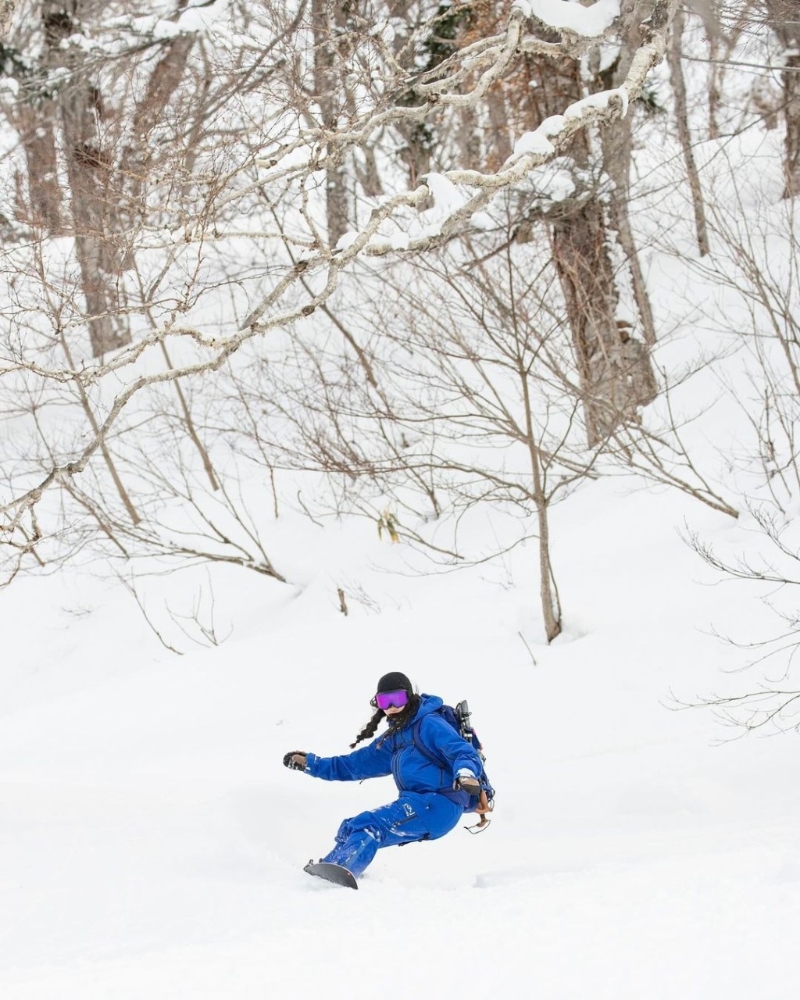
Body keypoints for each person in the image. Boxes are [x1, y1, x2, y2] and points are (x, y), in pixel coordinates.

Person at [283, 671, 484, 880]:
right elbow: (353, 765)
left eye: (397, 699)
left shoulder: (428, 724)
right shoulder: (394, 739)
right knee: (351, 826)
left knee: (370, 826)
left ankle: (343, 871)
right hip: (417, 802)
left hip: (440, 802)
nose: (391, 707)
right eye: (384, 701)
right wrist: (312, 764)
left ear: (410, 697)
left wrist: (466, 774)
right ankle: (330, 870)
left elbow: (462, 751)